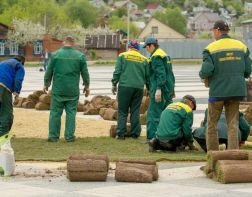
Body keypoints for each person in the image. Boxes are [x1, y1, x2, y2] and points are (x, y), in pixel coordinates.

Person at [199, 20, 252, 151]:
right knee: (233, 124)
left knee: (211, 125)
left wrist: (202, 76)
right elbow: (248, 70)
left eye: (213, 31)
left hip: (218, 92)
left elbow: (206, 70)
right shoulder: (241, 47)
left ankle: (213, 156)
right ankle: (233, 155)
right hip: (236, 91)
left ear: (217, 30)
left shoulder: (210, 48)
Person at [43, 35, 90, 142]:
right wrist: (87, 86)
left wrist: (46, 84)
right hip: (72, 90)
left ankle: (53, 136)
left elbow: (49, 71)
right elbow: (85, 73)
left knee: (55, 113)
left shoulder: (55, 55)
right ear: (73, 43)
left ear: (64, 42)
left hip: (58, 89)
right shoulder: (80, 56)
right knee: (71, 113)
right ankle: (69, 137)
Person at [111, 40, 149, 139]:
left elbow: (117, 71)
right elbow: (147, 76)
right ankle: (135, 133)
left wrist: (114, 83)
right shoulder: (144, 59)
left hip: (125, 87)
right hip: (139, 88)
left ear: (129, 47)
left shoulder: (122, 56)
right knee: (135, 111)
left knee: (122, 111)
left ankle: (121, 134)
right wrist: (148, 87)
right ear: (138, 49)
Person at [143, 37, 175, 141]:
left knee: (153, 113)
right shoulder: (165, 55)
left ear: (151, 45)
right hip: (167, 89)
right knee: (167, 114)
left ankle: (152, 138)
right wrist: (172, 89)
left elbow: (160, 74)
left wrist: (158, 89)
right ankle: (166, 136)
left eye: (147, 47)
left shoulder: (156, 56)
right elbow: (170, 74)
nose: (146, 49)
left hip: (160, 89)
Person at [0, 55, 25, 137]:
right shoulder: (19, 65)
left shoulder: (3, 62)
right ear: (22, 62)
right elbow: (18, 79)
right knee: (6, 112)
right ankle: (3, 135)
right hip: (3, 87)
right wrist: (16, 92)